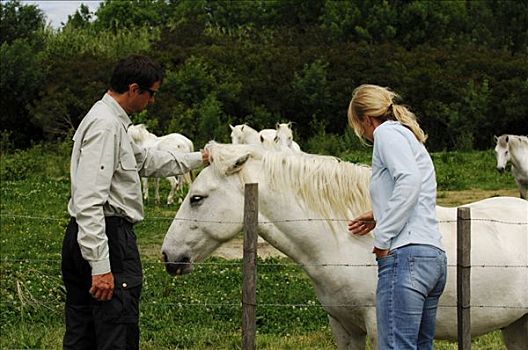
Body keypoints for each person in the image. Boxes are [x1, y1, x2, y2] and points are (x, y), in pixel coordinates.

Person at [61, 54, 209, 350]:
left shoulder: (109, 121)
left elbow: (145, 160)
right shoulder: (106, 127)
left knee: (83, 335)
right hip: (107, 237)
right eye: (151, 93)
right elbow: (90, 200)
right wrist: (101, 265)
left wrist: (201, 158)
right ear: (133, 89)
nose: (152, 101)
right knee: (117, 333)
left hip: (85, 235)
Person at [347, 84, 447, 350]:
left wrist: (382, 238)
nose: (363, 133)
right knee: (420, 345)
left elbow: (408, 181)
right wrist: (379, 214)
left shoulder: (386, 134)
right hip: (432, 256)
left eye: (359, 126)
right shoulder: (407, 136)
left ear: (366, 119)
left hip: (406, 258)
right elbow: (418, 190)